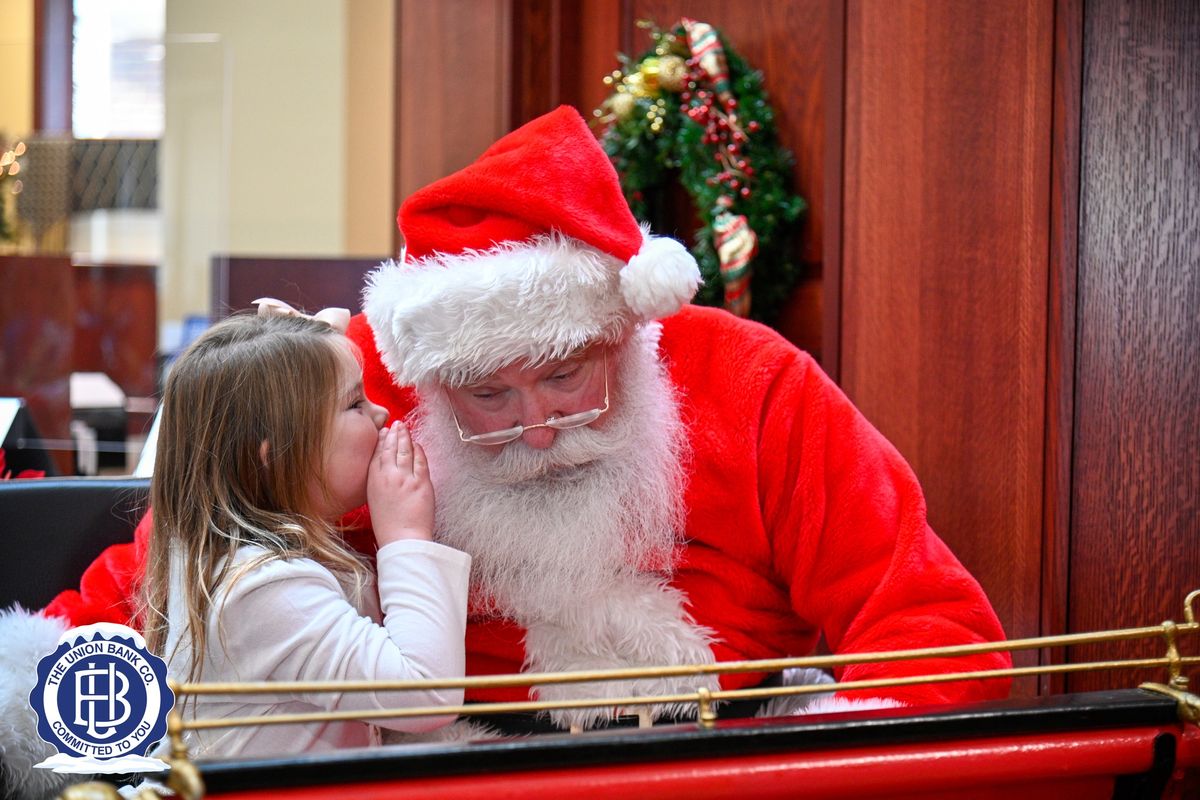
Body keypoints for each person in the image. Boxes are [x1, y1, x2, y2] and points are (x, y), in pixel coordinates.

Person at [1, 106, 1009, 775]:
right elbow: (167, 575)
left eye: (568, 376)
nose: (537, 426)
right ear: (429, 378)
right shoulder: (363, 386)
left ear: (626, 329)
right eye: (488, 395)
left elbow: (933, 630)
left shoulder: (754, 384)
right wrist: (78, 749)